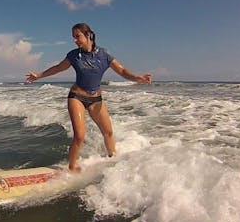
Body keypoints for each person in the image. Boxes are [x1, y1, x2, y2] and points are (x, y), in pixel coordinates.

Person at [26, 23, 152, 172]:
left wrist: (137, 78)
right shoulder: (74, 55)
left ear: (88, 35)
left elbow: (122, 70)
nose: (75, 40)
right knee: (79, 136)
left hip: (96, 100)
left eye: (77, 36)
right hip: (76, 97)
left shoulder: (104, 55)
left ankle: (113, 161)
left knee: (108, 132)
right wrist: (39, 76)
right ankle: (71, 169)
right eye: (73, 37)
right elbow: (58, 68)